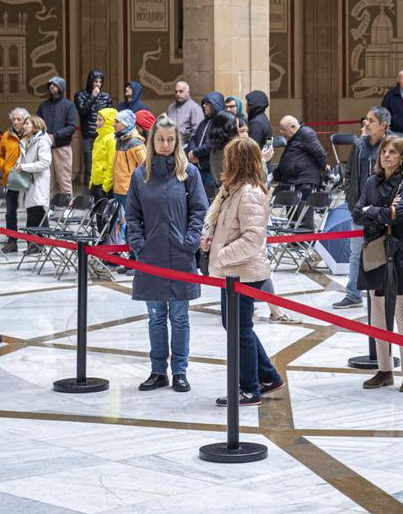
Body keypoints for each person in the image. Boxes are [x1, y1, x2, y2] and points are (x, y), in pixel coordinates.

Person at [126, 115, 208, 393]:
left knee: (180, 316)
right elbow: (132, 215)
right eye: (160, 139)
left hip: (181, 255)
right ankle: (158, 371)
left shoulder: (189, 174)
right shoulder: (141, 174)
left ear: (177, 142)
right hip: (151, 256)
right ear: (152, 141)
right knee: (156, 316)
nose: (165, 144)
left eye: (170, 140)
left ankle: (180, 372)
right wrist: (139, 244)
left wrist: (190, 240)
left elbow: (200, 210)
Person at [201, 137, 285, 406]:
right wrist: (209, 236)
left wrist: (221, 254)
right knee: (236, 327)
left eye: (230, 158)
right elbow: (216, 216)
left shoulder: (250, 193)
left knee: (241, 330)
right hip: (233, 271)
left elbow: (252, 239)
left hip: (243, 271)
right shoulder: (233, 189)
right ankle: (268, 376)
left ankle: (249, 389)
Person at [354, 135, 403, 392]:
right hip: (375, 254)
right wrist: (381, 212)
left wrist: (375, 211)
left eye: (393, 152)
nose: (386, 155)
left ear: (402, 157)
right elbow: (357, 213)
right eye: (384, 151)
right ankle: (384, 369)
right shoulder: (372, 181)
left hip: (400, 254)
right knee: (378, 315)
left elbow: (400, 213)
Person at [333, 107, 390, 310]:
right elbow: (349, 174)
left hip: (383, 211)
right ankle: (353, 293)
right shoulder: (358, 145)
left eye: (371, 120)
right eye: (366, 119)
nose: (366, 123)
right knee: (356, 252)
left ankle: (382, 294)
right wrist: (351, 200)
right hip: (359, 209)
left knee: (383, 253)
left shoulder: (393, 145)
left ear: (383, 125)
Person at [273, 115, 327, 229]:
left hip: (304, 180)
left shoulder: (306, 134)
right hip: (293, 181)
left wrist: (323, 168)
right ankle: (294, 242)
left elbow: (320, 153)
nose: (281, 132)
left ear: (292, 127)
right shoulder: (294, 138)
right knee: (292, 214)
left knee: (304, 214)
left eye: (283, 129)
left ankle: (305, 240)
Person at [15, 115, 53, 255]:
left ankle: (40, 244)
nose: (24, 126)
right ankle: (32, 244)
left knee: (38, 213)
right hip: (29, 181)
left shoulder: (42, 141)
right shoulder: (28, 141)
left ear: (36, 126)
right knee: (32, 213)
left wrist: (24, 167)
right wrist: (19, 166)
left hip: (38, 181)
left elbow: (45, 163)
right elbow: (23, 158)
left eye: (27, 123)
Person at [37, 76, 78, 198]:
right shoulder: (43, 105)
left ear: (61, 87)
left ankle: (67, 209)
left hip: (62, 148)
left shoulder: (68, 105)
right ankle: (47, 209)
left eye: (54, 85)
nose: (51, 87)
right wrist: (44, 136)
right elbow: (37, 124)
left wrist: (54, 136)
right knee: (45, 181)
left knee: (64, 180)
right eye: (50, 85)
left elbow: (71, 127)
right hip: (44, 148)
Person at [0, 108, 29, 254]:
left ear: (25, 120)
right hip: (10, 177)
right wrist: (5, 167)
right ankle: (12, 241)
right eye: (14, 119)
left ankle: (33, 241)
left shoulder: (30, 135)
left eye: (19, 119)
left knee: (32, 210)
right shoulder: (6, 136)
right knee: (10, 211)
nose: (16, 122)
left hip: (28, 176)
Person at [112, 110, 147, 241]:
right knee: (119, 222)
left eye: (117, 122)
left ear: (125, 124)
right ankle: (119, 249)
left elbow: (145, 166)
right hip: (118, 189)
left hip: (129, 190)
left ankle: (130, 250)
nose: (114, 124)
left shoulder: (134, 143)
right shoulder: (119, 141)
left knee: (129, 222)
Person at [75, 70, 112, 188]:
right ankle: (88, 195)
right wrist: (93, 96)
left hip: (103, 136)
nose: (98, 84)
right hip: (88, 136)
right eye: (96, 81)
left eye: (100, 82)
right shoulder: (80, 95)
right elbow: (82, 111)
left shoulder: (106, 97)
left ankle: (103, 194)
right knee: (89, 165)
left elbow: (110, 116)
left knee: (105, 165)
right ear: (90, 81)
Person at [188, 92, 225, 199]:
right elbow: (193, 138)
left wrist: (195, 153)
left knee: (210, 200)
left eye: (207, 103)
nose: (203, 106)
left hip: (211, 171)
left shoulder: (221, 123)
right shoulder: (204, 122)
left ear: (215, 104)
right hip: (198, 168)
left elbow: (213, 143)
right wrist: (192, 152)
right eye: (203, 103)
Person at [90, 106, 119, 198]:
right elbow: (95, 162)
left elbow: (111, 164)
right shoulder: (98, 138)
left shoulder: (112, 139)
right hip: (96, 182)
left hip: (104, 186)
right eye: (97, 119)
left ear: (109, 121)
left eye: (100, 120)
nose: (96, 122)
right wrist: (92, 180)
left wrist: (106, 186)